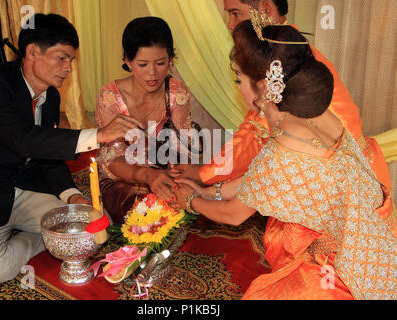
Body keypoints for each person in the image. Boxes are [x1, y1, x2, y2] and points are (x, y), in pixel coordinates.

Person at [173, 21, 396, 300]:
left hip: (341, 267)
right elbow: (266, 178)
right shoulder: (318, 115)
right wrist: (208, 191)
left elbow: (234, 214)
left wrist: (190, 201)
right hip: (375, 240)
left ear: (264, 86)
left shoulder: (282, 146)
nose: (238, 88)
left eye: (239, 80)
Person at [0, 13, 143, 285]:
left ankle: (44, 234)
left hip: (27, 192)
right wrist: (100, 134)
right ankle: (47, 236)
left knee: (97, 226)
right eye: (62, 57)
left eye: (71, 59)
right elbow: (24, 139)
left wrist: (72, 197)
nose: (69, 67)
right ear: (32, 52)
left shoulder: (51, 95)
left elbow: (49, 156)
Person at [171, 0, 392, 197]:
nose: (230, 24)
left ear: (266, 8)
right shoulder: (287, 52)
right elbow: (253, 128)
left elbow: (254, 138)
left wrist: (205, 177)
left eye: (235, 13)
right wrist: (207, 176)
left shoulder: (283, 62)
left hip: (342, 191)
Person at [95, 17, 193, 224]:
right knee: (144, 215)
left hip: (163, 173)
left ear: (171, 59)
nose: (152, 73)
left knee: (192, 203)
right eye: (142, 64)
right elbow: (114, 160)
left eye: (160, 63)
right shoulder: (110, 96)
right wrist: (147, 176)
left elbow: (181, 149)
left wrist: (177, 177)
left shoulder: (177, 94)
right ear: (128, 61)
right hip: (122, 177)